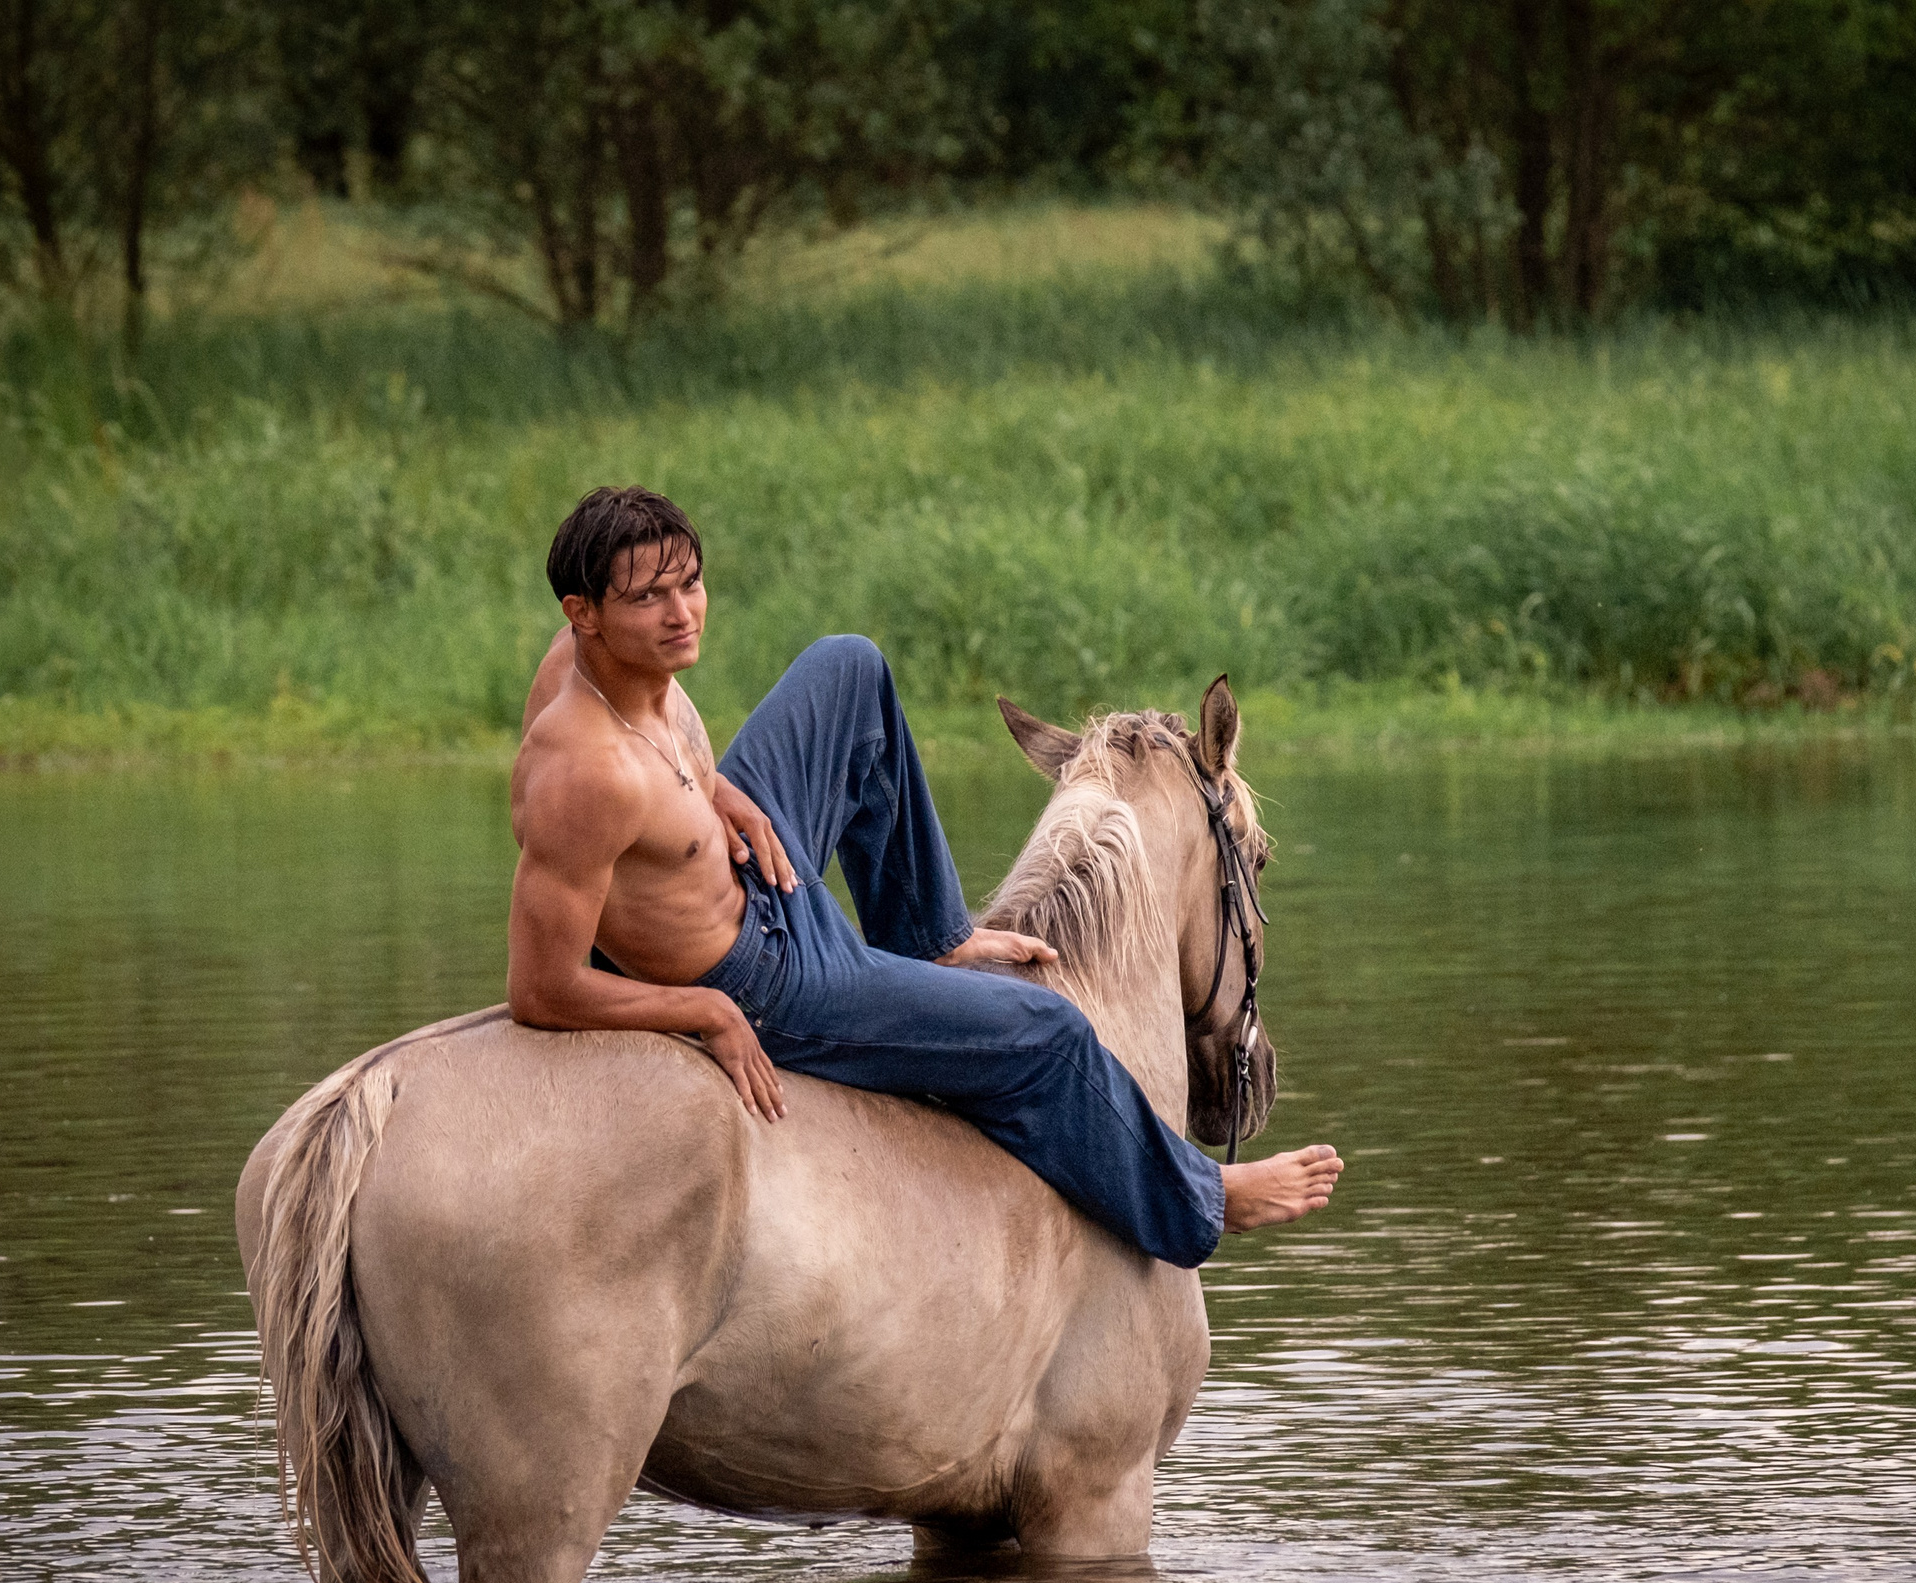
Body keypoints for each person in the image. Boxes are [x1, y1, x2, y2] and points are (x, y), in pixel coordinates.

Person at [506, 486, 1342, 1268]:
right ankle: (1203, 1199)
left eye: (689, 584)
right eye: (649, 599)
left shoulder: (605, 675)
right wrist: (707, 1009)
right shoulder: (586, 775)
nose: (682, 613)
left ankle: (930, 938)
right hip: (765, 975)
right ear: (583, 614)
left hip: (752, 874)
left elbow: (662, 762)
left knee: (851, 667)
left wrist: (715, 788)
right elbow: (543, 989)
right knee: (1042, 1033)